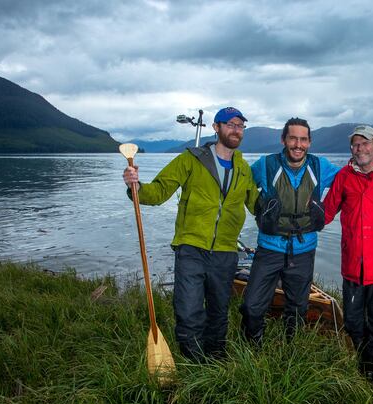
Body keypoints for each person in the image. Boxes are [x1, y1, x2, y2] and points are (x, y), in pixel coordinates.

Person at [122, 106, 258, 362]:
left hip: (226, 251)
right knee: (188, 309)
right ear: (216, 128)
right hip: (191, 247)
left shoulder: (243, 169)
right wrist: (135, 185)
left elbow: (257, 205)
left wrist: (282, 216)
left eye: (240, 125)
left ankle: (216, 360)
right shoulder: (191, 159)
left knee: (218, 311)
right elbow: (158, 192)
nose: (236, 129)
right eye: (230, 124)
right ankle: (192, 361)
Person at [239, 117, 340, 345]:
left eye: (303, 139)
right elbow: (240, 183)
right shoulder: (266, 165)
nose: (298, 144)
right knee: (252, 305)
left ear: (309, 142)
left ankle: (290, 349)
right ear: (283, 139)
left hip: (304, 248)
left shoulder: (319, 166)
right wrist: (257, 209)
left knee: (297, 307)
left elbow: (350, 178)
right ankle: (253, 347)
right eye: (293, 138)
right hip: (269, 246)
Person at [322, 125, 373, 380]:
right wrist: (296, 217)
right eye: (355, 144)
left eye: (366, 143)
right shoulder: (344, 176)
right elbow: (326, 212)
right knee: (353, 321)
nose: (360, 148)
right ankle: (364, 358)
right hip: (353, 265)